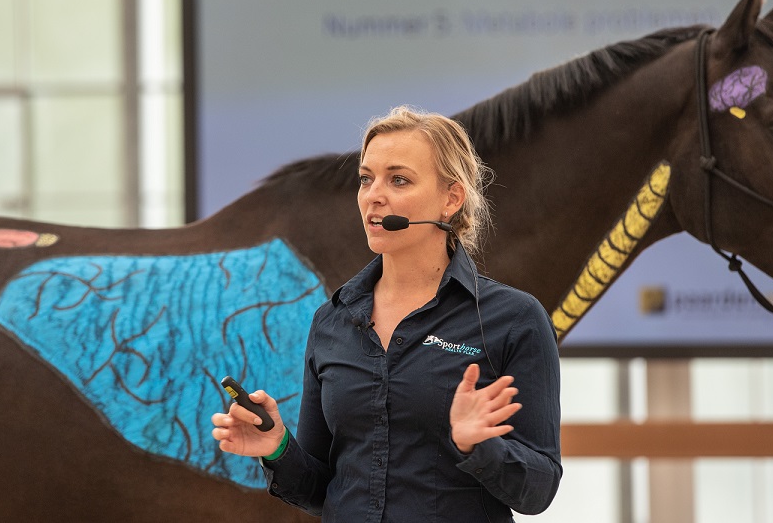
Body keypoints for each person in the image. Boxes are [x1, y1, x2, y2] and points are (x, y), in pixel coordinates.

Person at [211, 105, 562, 522]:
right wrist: (278, 448)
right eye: (365, 178)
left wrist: (478, 446)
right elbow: (325, 489)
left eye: (399, 179)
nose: (373, 195)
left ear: (451, 198)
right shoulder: (332, 319)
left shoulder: (515, 318)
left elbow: (538, 491)